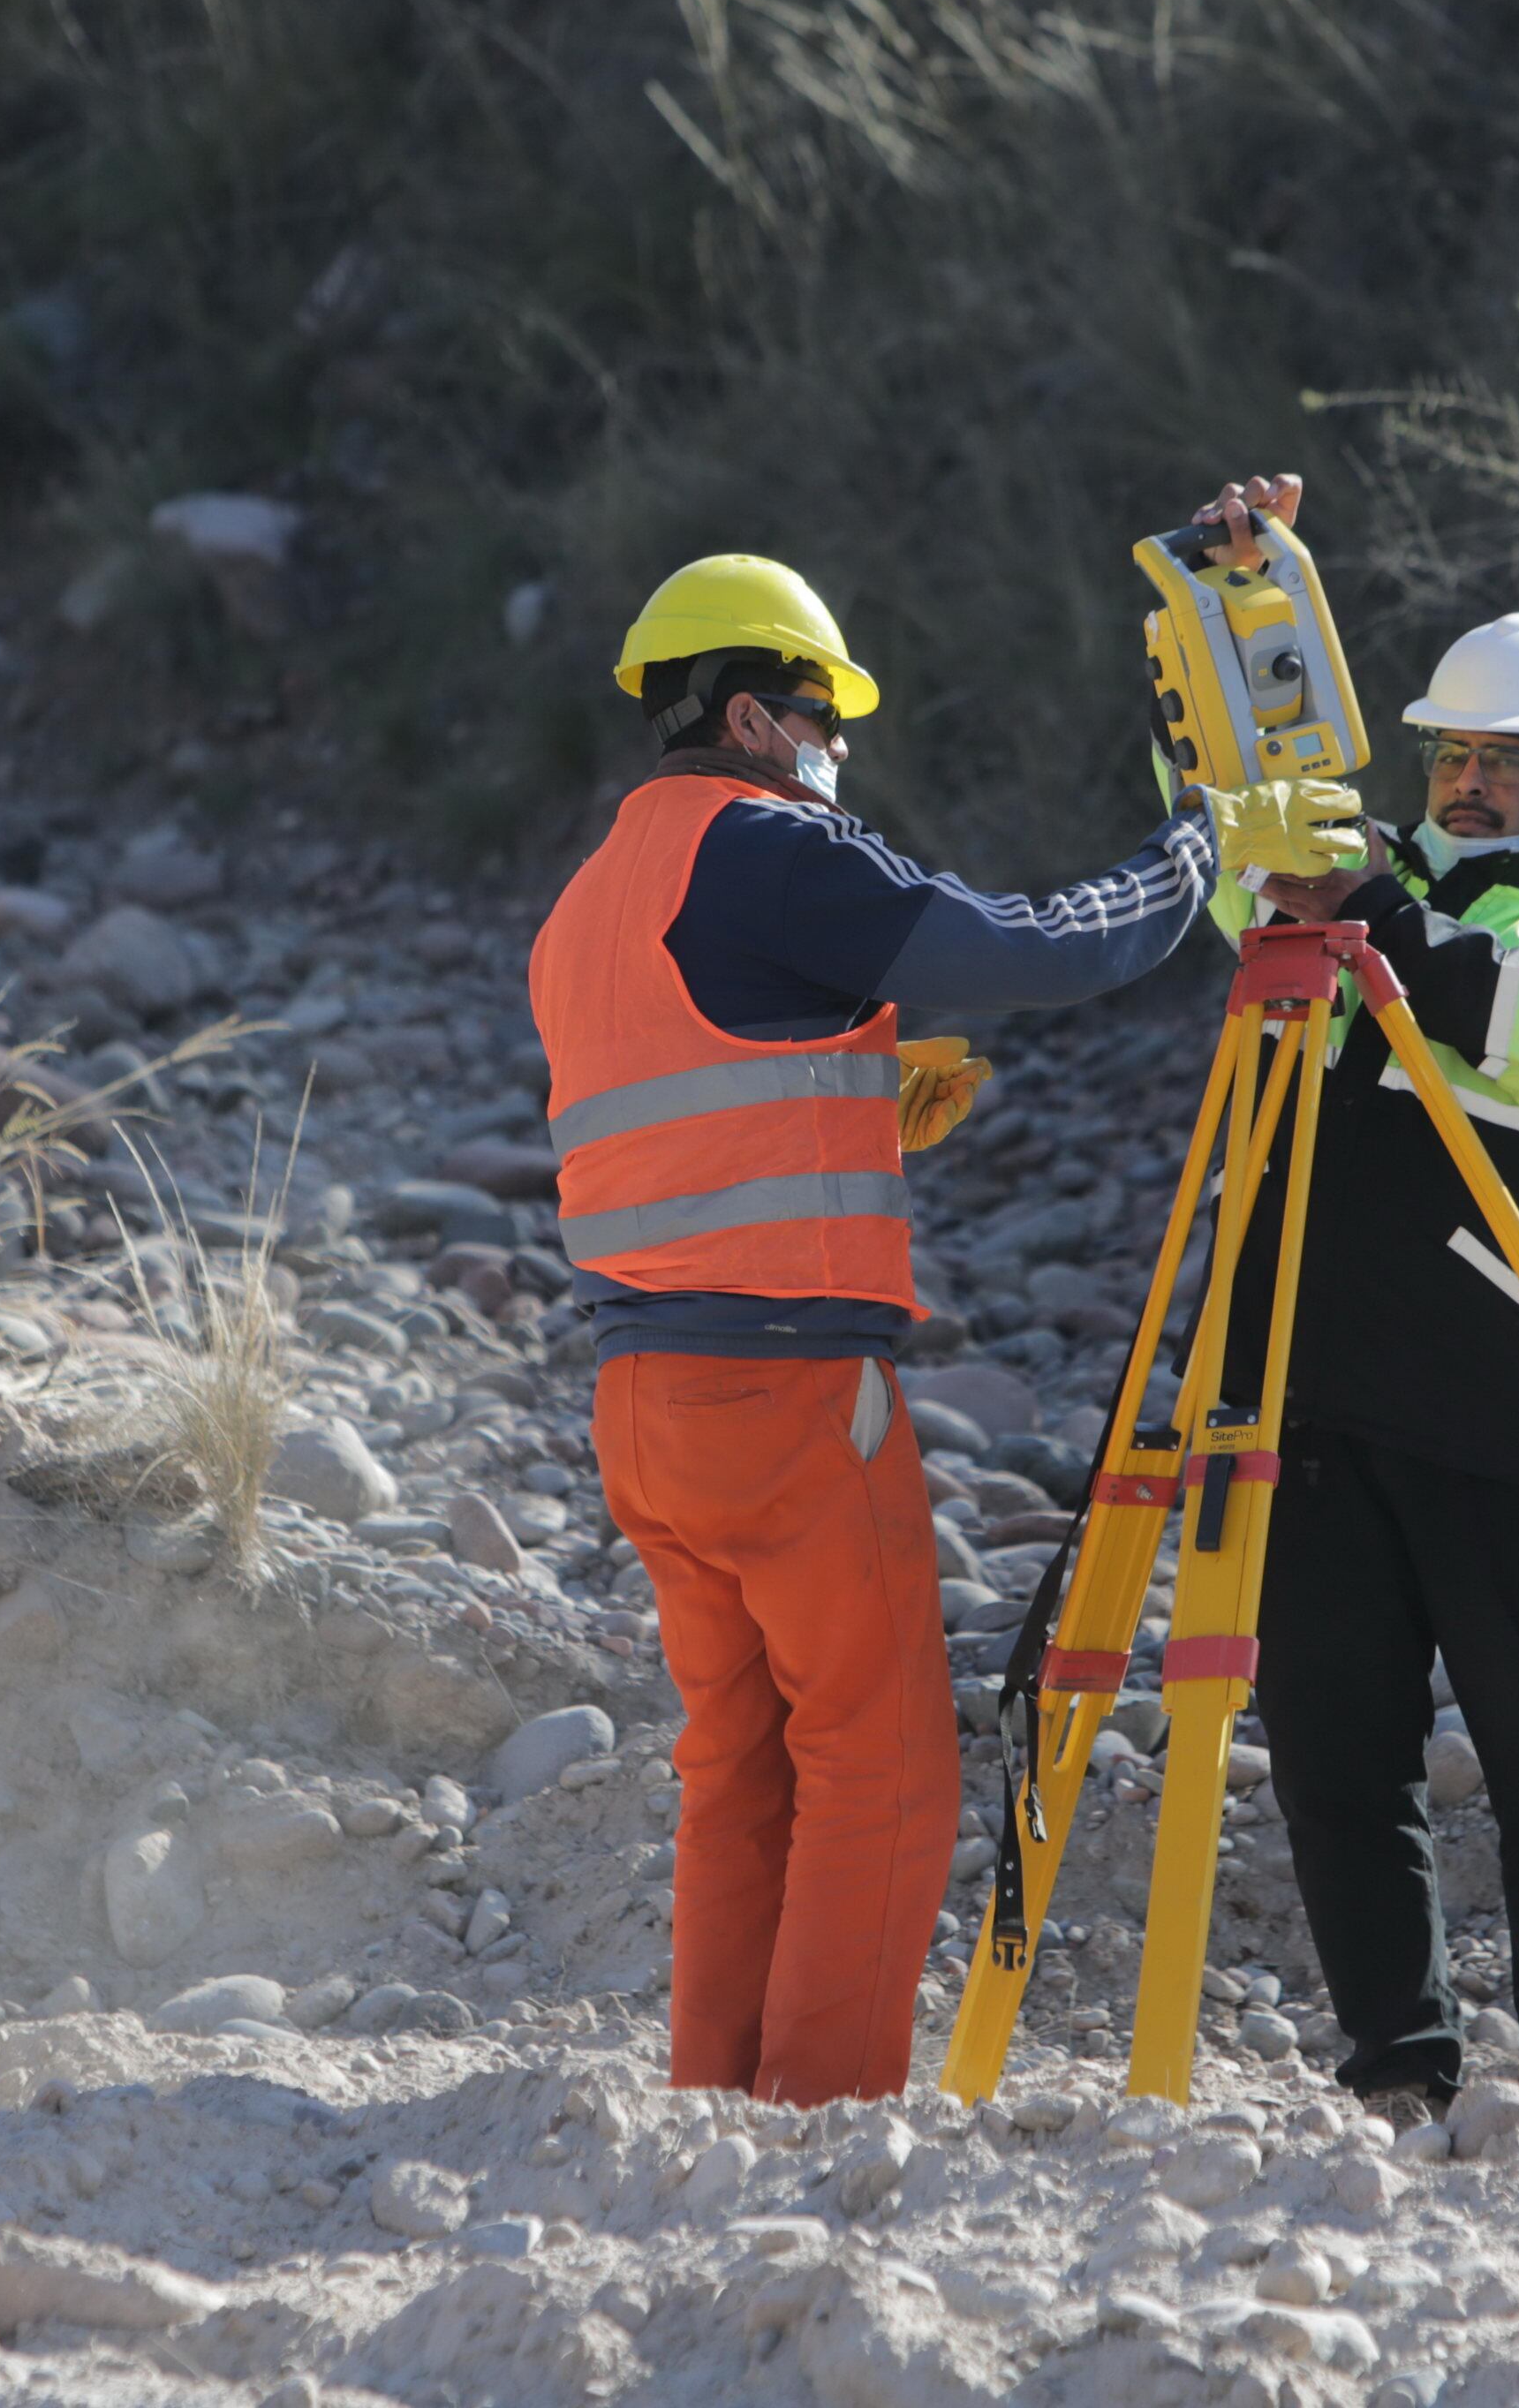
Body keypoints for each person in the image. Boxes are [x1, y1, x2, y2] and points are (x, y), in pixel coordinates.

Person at [528, 550, 1220, 2104]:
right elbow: (1030, 945)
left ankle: (716, 2099)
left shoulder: (592, 896)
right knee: (881, 1771)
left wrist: (857, 1095)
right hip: (785, 1401)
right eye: (828, 718)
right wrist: (1194, 858)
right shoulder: (769, 849)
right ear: (763, 716)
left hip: (644, 1399)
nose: (839, 750)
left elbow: (681, 1107)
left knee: (743, 1772)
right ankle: (826, 2112)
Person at [1194, 479, 1519, 2117]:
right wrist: (1233, 615)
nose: (1470, 784)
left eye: (1507, 763)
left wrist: (1392, 930)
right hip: (1310, 1399)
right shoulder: (1359, 884)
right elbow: (1235, 842)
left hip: (1499, 1407)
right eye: (1451, 758)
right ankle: (1399, 2072)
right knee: (1341, 1764)